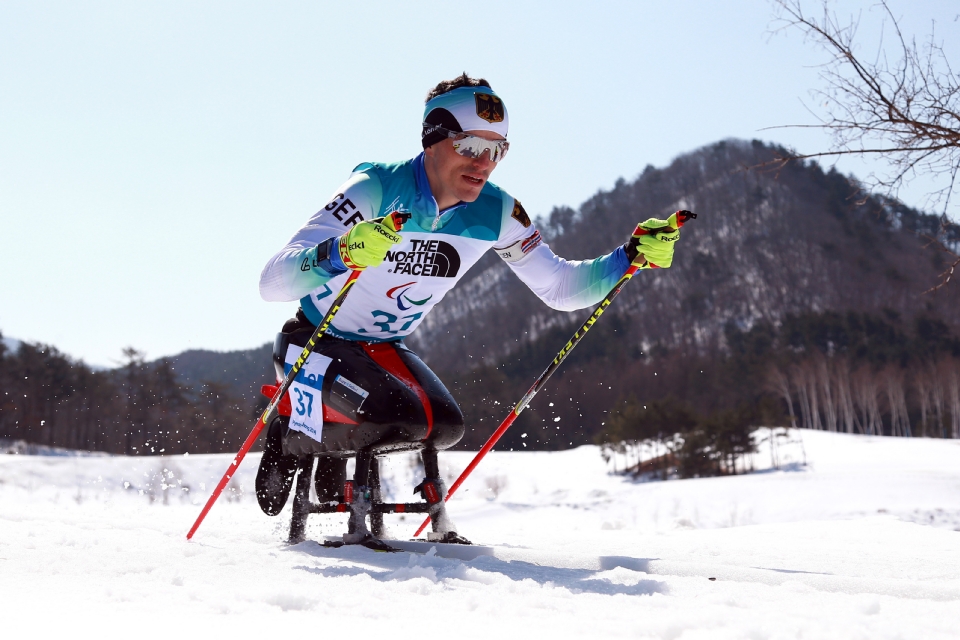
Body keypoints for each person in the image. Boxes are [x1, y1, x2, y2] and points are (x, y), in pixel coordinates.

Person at [255, 73, 683, 546]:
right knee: (397, 416)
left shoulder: (497, 212)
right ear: (433, 141)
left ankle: (332, 427)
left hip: (382, 349)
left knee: (443, 425)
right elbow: (273, 282)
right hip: (313, 340)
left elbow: (559, 287)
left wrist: (628, 256)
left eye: (498, 150)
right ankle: (291, 425)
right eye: (471, 146)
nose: (484, 164)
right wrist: (342, 251)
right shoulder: (376, 187)